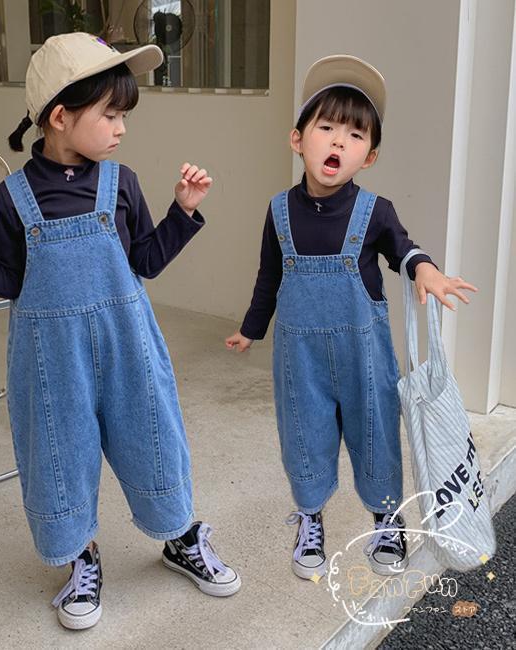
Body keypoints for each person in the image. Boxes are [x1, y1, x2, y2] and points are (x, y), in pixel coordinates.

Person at [0, 32, 240, 630]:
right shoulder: (15, 196)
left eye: (124, 116)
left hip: (128, 345)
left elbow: (146, 261)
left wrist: (183, 210)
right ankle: (81, 555)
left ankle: (181, 536)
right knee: (59, 453)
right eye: (111, 114)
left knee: (153, 436)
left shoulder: (122, 182)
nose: (122, 128)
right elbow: (11, 279)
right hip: (51, 359)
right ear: (60, 116)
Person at [225, 55, 477, 581]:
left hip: (365, 358)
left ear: (370, 155)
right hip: (300, 361)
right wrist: (251, 329)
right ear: (298, 140)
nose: (339, 141)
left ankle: (387, 519)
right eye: (326, 128)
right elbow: (269, 275)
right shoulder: (278, 211)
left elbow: (404, 250)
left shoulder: (375, 211)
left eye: (355, 135)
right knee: (304, 436)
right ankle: (310, 517)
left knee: (376, 435)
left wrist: (426, 270)